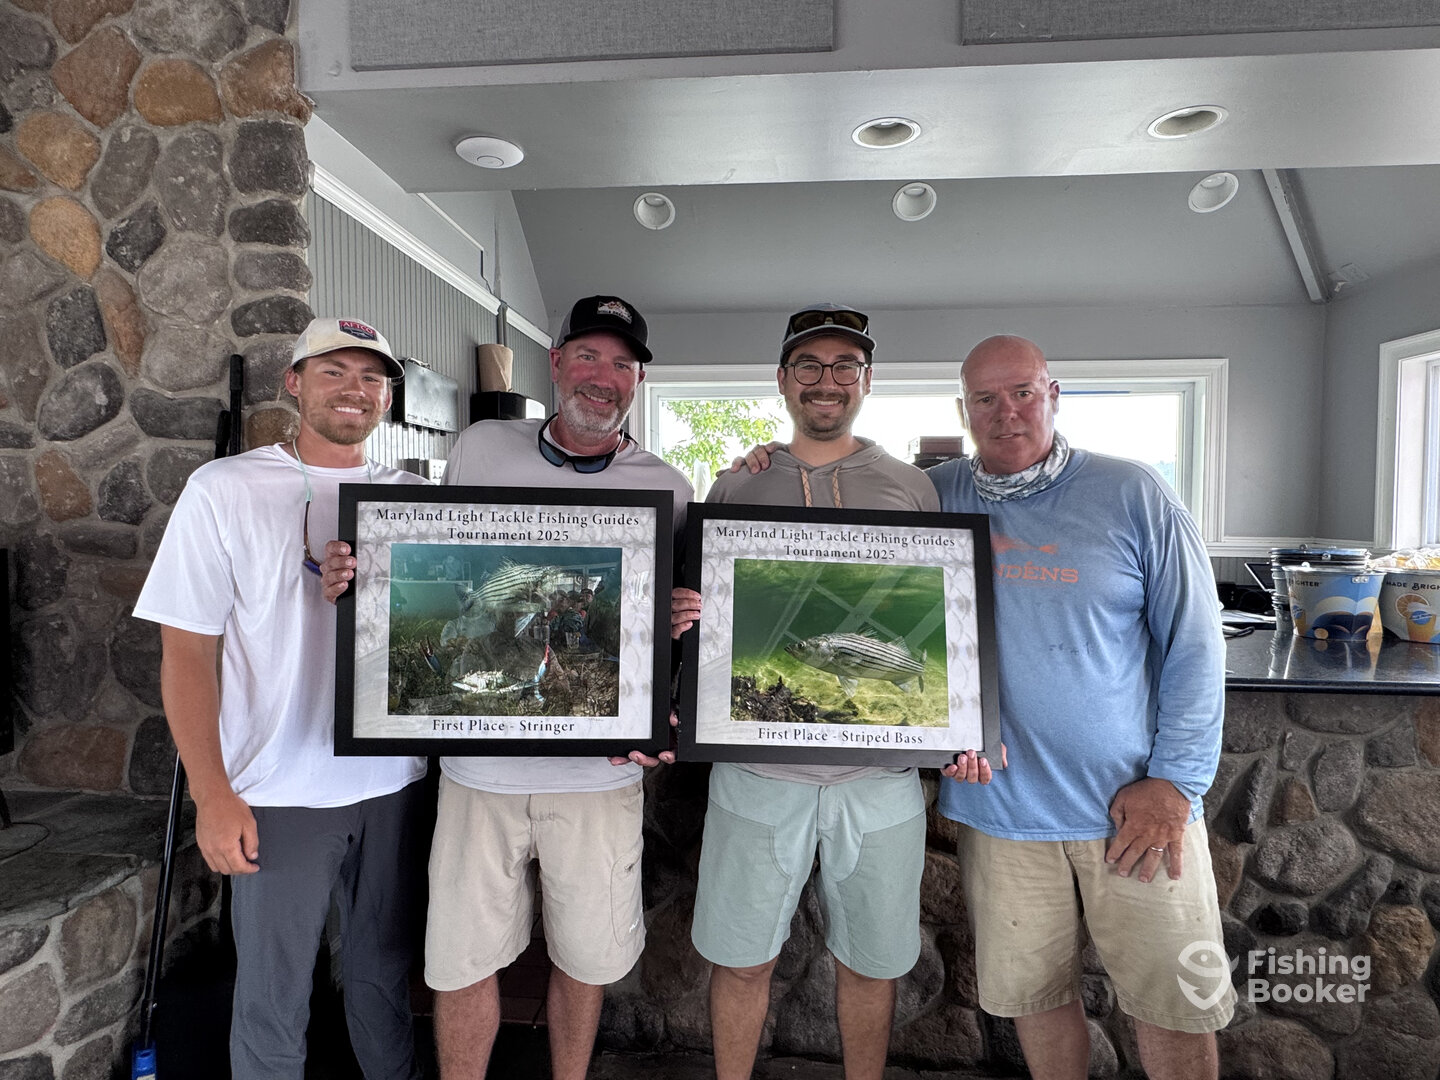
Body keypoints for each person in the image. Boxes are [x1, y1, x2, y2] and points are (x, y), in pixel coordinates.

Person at [690, 303, 990, 1080]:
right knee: (741, 958)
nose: (827, 382)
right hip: (756, 776)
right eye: (810, 366)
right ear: (783, 379)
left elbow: (946, 614)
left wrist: (960, 721)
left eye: (845, 367)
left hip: (879, 781)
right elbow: (707, 609)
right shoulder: (736, 481)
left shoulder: (912, 487)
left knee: (872, 964)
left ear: (866, 381)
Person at [929, 334, 1232, 1080]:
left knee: (1174, 1006)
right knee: (1036, 1002)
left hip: (1137, 813)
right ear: (963, 410)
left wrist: (1176, 783)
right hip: (1000, 811)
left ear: (1054, 395)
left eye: (1023, 392)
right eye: (985, 399)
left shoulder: (1134, 493)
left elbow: (1196, 645)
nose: (1006, 413)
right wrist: (761, 466)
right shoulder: (933, 496)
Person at [133, 317, 429, 1079]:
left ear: (387, 397)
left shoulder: (414, 498)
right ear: (294, 383)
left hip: (395, 783)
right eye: (333, 371)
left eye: (371, 377)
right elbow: (186, 652)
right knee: (273, 993)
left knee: (384, 978)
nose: (354, 390)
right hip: (278, 789)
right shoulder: (224, 489)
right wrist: (213, 793)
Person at [420, 295, 692, 1080]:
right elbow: (436, 559)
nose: (603, 376)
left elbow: (666, 630)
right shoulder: (480, 448)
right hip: (479, 768)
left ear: (638, 380)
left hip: (599, 774)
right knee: (461, 961)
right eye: (588, 356)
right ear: (556, 363)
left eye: (622, 363)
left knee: (586, 957)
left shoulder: (668, 487)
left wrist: (671, 682)